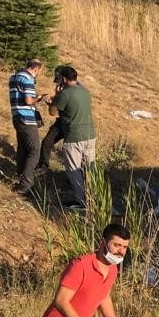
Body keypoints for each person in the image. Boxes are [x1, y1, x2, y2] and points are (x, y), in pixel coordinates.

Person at [49, 66, 96, 210]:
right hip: (89, 134)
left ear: (63, 78)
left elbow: (53, 112)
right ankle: (93, 197)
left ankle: (80, 201)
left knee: (73, 170)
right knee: (89, 168)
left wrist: (54, 98)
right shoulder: (85, 91)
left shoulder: (66, 94)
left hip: (74, 137)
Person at [8, 58, 47, 194]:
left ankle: (20, 175)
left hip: (17, 116)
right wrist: (39, 98)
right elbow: (28, 100)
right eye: (39, 72)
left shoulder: (14, 77)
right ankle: (26, 183)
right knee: (35, 150)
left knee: (23, 148)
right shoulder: (28, 79)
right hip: (27, 119)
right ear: (36, 69)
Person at [35, 66, 66, 175]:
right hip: (61, 121)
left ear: (64, 78)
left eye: (60, 80)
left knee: (69, 150)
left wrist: (54, 101)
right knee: (47, 141)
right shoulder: (62, 88)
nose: (58, 84)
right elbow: (54, 112)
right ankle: (43, 166)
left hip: (70, 124)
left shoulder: (66, 91)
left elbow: (53, 112)